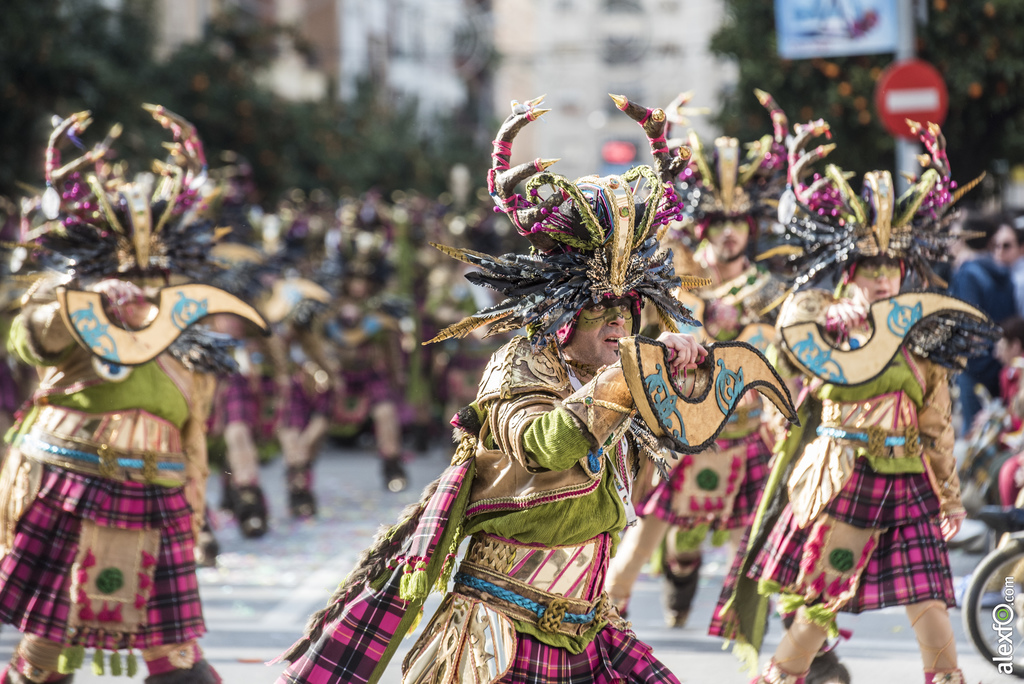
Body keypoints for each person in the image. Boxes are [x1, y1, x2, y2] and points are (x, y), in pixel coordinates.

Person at [274, 95, 795, 684]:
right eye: (603, 314)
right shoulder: (517, 366)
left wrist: (689, 372)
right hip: (499, 624)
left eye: (628, 312)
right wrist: (627, 374)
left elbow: (684, 433)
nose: (621, 326)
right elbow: (546, 444)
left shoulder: (623, 363)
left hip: (585, 623)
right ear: (565, 319)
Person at [715, 119, 996, 684]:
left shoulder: (922, 332)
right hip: (845, 473)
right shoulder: (818, 318)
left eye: (892, 267)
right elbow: (788, 359)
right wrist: (833, 328)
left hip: (909, 474)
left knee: (931, 600)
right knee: (823, 598)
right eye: (871, 268)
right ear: (850, 271)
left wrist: (950, 498)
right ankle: (781, 676)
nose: (883, 278)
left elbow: (938, 427)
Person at [0, 107, 267, 684]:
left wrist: (195, 513)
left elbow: (195, 435)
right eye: (133, 276)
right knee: (47, 654)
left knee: (178, 664)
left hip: (159, 495)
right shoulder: (72, 307)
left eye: (157, 278)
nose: (144, 289)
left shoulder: (190, 343)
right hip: (72, 487)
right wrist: (90, 300)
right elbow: (28, 337)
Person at [605, 89, 790, 628]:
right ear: (703, 226)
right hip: (685, 427)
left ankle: (790, 645)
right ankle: (604, 623)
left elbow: (777, 356)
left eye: (739, 222)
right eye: (719, 221)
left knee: (753, 540)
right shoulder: (678, 271)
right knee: (647, 534)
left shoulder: (769, 287)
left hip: (746, 428)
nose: (731, 232)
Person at [949, 213, 1016, 434]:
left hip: (975, 364)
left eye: (954, 235)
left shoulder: (967, 273)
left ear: (964, 239)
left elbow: (969, 324)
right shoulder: (1002, 270)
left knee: (974, 433)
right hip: (1002, 357)